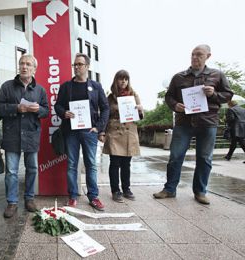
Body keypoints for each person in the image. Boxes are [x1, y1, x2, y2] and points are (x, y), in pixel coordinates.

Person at [153, 44, 233, 205]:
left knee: (204, 158)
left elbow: (228, 95)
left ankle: (200, 191)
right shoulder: (179, 77)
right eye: (193, 54)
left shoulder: (217, 75)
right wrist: (175, 105)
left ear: (208, 56)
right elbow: (169, 97)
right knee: (175, 156)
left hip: (208, 122)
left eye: (199, 55)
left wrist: (214, 94)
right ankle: (169, 189)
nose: (195, 57)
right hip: (184, 123)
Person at [0, 54, 49, 218]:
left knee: (32, 168)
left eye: (28, 64)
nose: (24, 67)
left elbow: (46, 111)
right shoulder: (7, 86)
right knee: (11, 171)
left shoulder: (40, 90)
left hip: (31, 135)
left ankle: (29, 198)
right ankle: (12, 202)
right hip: (12, 135)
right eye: (22, 64)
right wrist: (16, 108)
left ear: (34, 69)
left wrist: (38, 109)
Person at [55, 53, 109, 211]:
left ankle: (93, 196)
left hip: (89, 131)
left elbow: (105, 108)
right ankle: (72, 196)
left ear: (87, 66)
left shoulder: (96, 86)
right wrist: (64, 113)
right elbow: (58, 106)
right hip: (71, 131)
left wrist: (98, 127)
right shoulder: (66, 86)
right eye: (75, 65)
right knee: (72, 164)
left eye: (79, 64)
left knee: (91, 164)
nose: (76, 67)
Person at [100, 70, 143, 203]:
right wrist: (102, 132)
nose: (123, 81)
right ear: (116, 80)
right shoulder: (111, 97)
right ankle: (115, 190)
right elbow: (105, 114)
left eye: (126, 79)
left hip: (129, 131)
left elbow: (139, 115)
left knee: (126, 164)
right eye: (120, 79)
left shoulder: (134, 94)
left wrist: (140, 109)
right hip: (114, 131)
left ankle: (126, 188)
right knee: (115, 163)